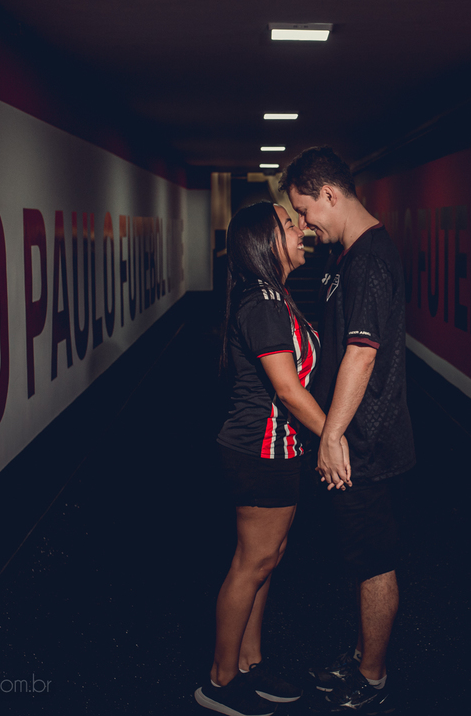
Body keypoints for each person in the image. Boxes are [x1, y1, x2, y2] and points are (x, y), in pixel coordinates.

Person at [279, 147, 416, 714]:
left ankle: (374, 676)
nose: (307, 225)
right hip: (352, 437)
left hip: (366, 443)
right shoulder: (348, 258)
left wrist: (332, 436)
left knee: (374, 560)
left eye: (307, 211)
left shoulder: (370, 261)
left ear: (331, 194)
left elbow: (361, 354)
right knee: (360, 558)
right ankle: (361, 657)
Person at [195, 201, 334, 716]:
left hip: (277, 448)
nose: (301, 230)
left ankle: (249, 663)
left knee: (266, 562)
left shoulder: (274, 296)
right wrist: (338, 439)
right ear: (266, 240)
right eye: (290, 223)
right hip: (259, 450)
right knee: (250, 564)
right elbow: (290, 391)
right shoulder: (263, 303)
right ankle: (220, 681)